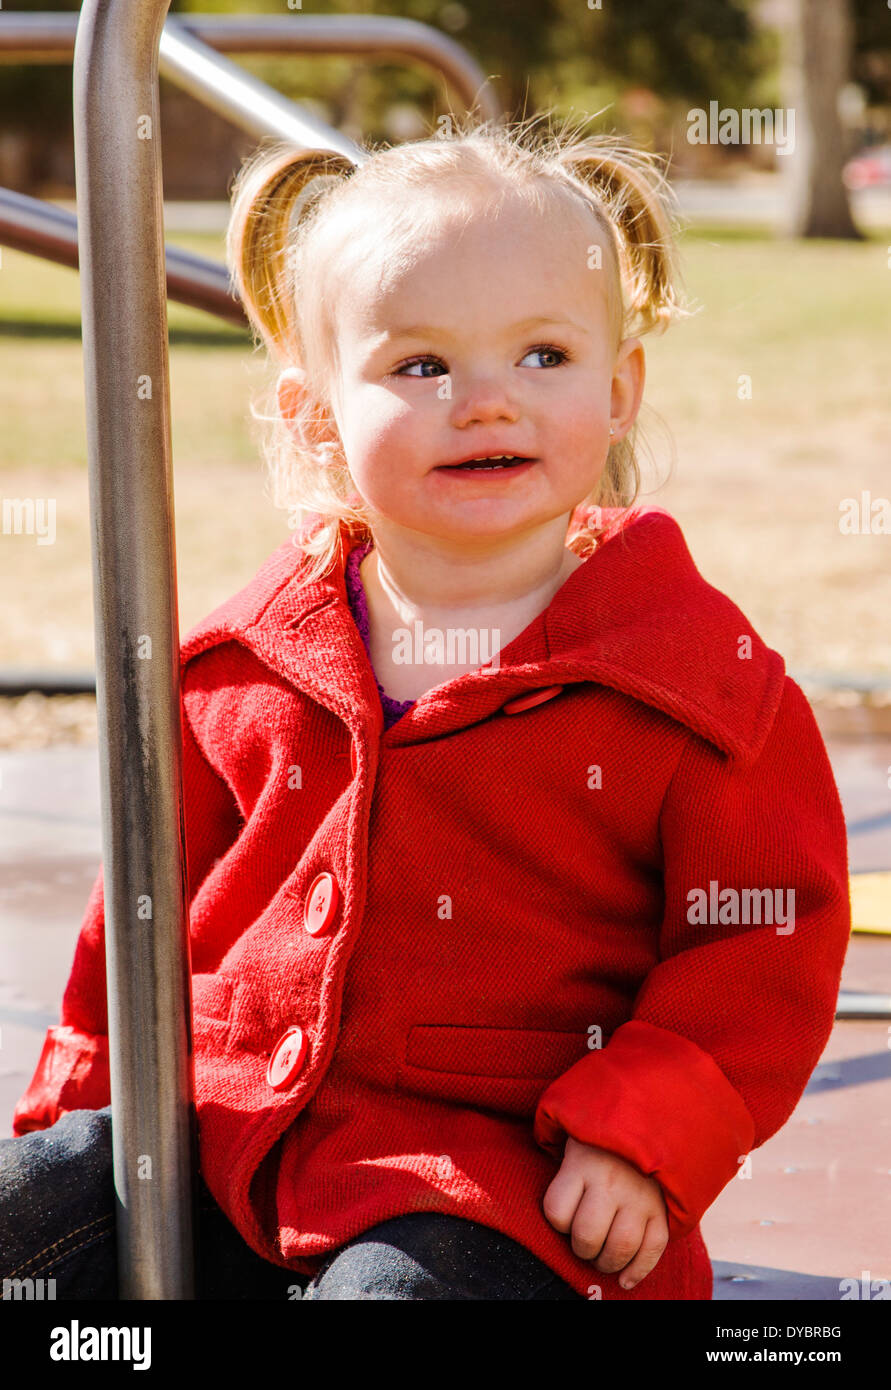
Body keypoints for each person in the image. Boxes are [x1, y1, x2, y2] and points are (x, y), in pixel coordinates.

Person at [1, 113, 850, 1301]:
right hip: (228, 1142)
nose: (488, 401)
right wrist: (86, 1110)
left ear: (621, 389)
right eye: (422, 366)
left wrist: (637, 1135)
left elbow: (763, 935)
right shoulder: (240, 664)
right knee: (25, 1212)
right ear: (314, 417)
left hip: (496, 1191)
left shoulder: (696, 684)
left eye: (543, 357)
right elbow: (137, 923)